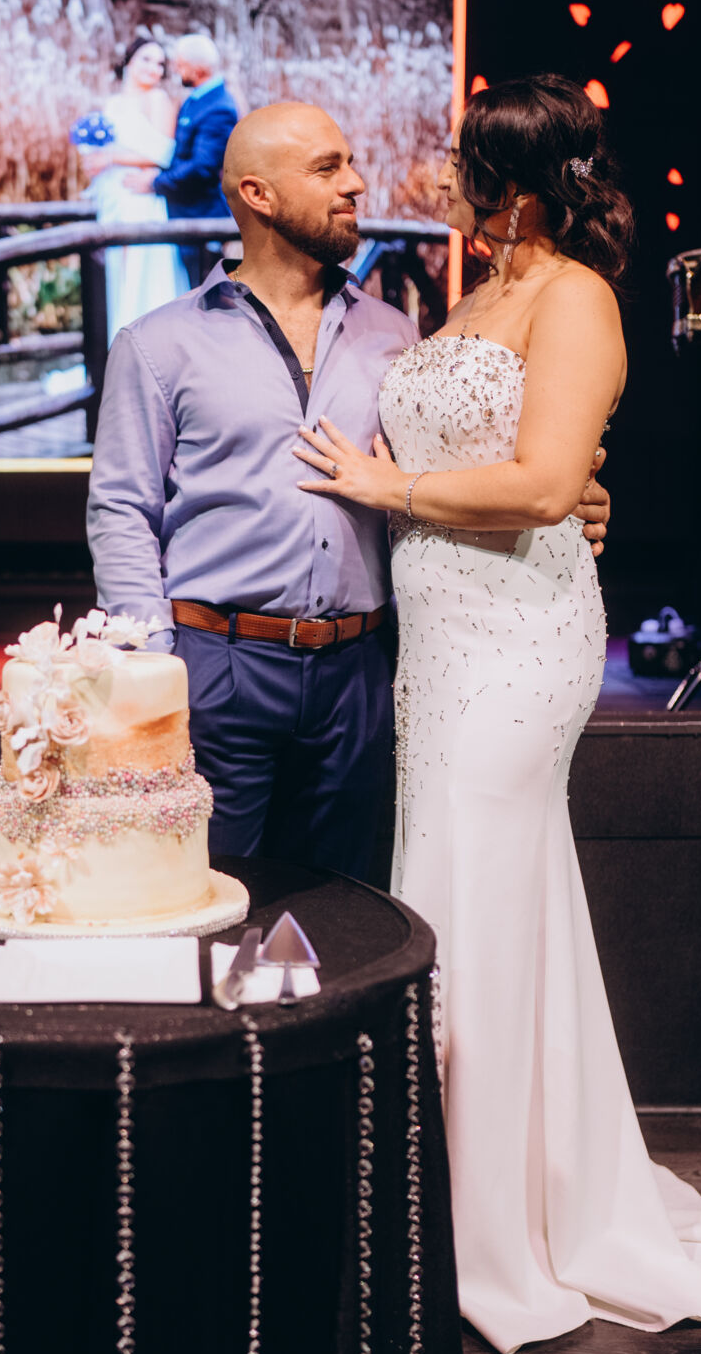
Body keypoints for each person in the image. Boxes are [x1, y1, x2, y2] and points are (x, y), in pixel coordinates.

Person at [293, 74, 701, 1354]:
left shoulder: (574, 295)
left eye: (463, 164)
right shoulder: (475, 293)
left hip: (518, 637)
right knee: (461, 896)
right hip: (439, 641)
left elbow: (548, 485)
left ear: (515, 183)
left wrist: (388, 486)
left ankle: (493, 1231)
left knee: (477, 902)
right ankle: (476, 1191)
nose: (442, 179)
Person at [86, 98, 611, 884]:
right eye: (328, 169)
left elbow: (464, 459)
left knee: (346, 910)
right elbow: (121, 510)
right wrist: (152, 666)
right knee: (200, 898)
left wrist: (574, 492)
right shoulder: (160, 344)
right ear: (258, 195)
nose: (356, 184)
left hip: (363, 674)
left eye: (351, 163)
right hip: (219, 664)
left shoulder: (398, 335)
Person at [80, 35, 187, 337]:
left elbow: (163, 153)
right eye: (146, 59)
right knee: (118, 268)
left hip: (142, 194)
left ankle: (146, 341)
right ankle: (118, 338)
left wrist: (111, 159)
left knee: (144, 268)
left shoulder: (158, 99)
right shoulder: (113, 104)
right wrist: (94, 159)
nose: (154, 69)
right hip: (115, 196)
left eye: (160, 64)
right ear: (129, 61)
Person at [128, 34, 237, 288]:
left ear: (197, 69)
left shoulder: (219, 107)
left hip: (201, 221)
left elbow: (202, 168)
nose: (176, 70)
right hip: (183, 216)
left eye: (181, 65)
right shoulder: (197, 99)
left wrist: (155, 182)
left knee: (204, 296)